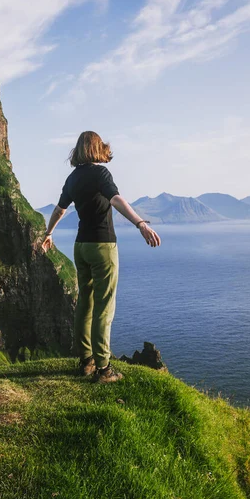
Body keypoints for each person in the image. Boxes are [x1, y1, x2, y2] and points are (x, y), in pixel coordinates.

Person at [42, 131, 161, 383]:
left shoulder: (72, 178)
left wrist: (48, 233)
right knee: (104, 306)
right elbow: (116, 199)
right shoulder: (101, 174)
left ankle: (86, 361)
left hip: (81, 246)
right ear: (98, 148)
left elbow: (59, 208)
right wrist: (140, 223)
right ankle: (104, 369)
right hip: (102, 246)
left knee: (85, 302)